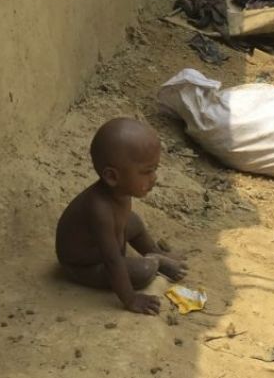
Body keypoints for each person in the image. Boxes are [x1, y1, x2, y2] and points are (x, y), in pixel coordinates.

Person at [55, 118, 188, 315]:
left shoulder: (119, 192)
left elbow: (121, 233)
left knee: (133, 221)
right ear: (112, 177)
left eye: (155, 169)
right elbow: (112, 260)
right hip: (83, 266)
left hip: (104, 247)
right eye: (146, 172)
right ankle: (155, 261)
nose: (154, 178)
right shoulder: (99, 210)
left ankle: (153, 250)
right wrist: (130, 299)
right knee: (142, 273)